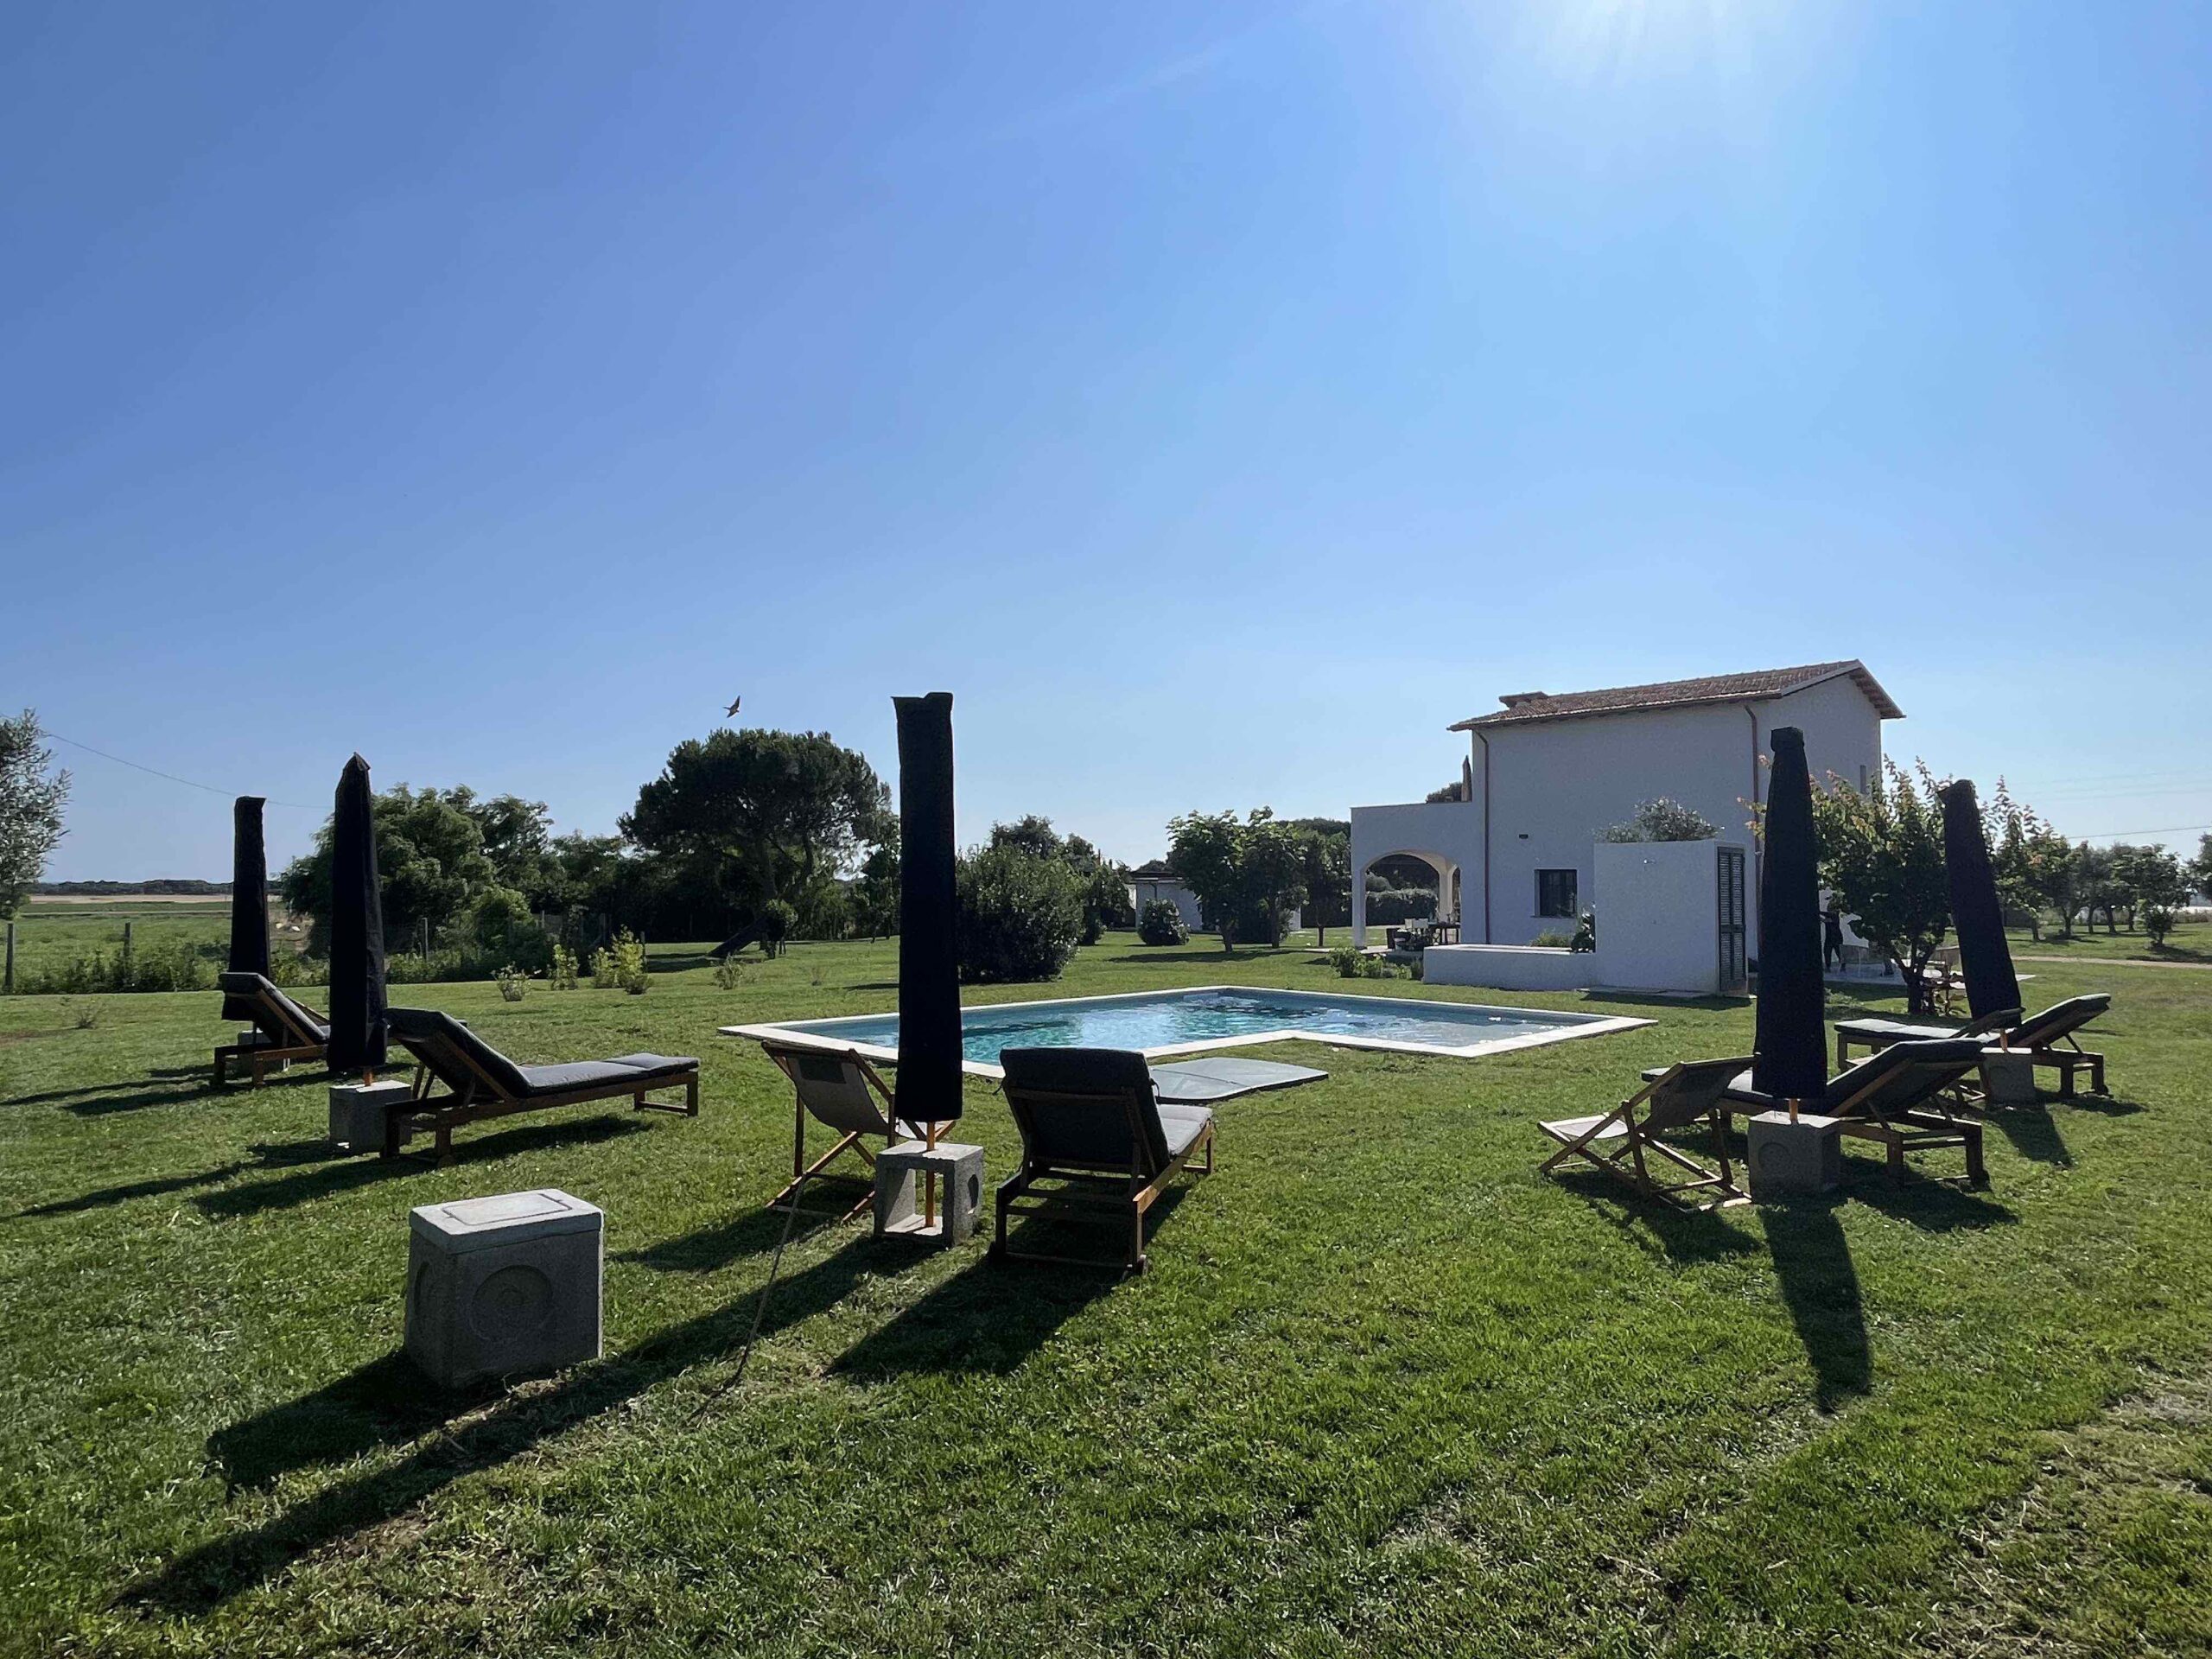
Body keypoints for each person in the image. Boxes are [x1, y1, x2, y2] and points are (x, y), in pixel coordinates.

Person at [1822, 901, 1847, 972]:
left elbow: (1827, 920)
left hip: (1836, 938)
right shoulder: (1829, 914)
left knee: (1838, 952)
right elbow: (1824, 915)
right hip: (1830, 937)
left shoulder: (1835, 916)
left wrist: (1821, 919)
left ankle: (1842, 966)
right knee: (1827, 952)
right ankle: (1828, 967)